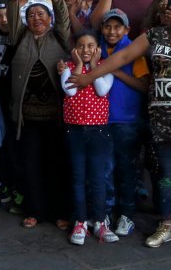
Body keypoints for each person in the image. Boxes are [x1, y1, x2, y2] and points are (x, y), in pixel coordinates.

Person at [70, 0, 171, 257]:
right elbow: (122, 58)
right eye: (169, 5)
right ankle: (165, 224)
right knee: (167, 173)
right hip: (161, 114)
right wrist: (90, 76)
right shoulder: (154, 34)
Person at [6, 0, 71, 229]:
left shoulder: (59, 37)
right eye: (31, 15)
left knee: (57, 164)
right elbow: (13, 17)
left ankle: (59, 212)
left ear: (49, 18)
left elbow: (64, 18)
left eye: (41, 14)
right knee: (31, 165)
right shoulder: (19, 37)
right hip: (28, 117)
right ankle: (35, 210)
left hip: (54, 115)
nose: (36, 19)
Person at [59, 30, 117, 244]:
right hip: (74, 130)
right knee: (78, 177)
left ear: (97, 49)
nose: (86, 50)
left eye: (90, 46)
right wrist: (75, 65)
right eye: (81, 46)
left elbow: (102, 90)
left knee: (98, 178)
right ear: (75, 49)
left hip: (99, 131)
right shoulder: (66, 68)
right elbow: (70, 91)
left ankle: (100, 221)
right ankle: (80, 221)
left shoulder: (105, 67)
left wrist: (93, 67)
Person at [99, 9, 149, 237]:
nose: (112, 31)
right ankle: (106, 212)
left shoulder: (133, 51)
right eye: (108, 26)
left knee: (126, 170)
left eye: (117, 27)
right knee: (104, 170)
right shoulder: (95, 48)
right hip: (99, 119)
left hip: (126, 120)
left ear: (127, 30)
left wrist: (117, 72)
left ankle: (127, 214)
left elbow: (144, 85)